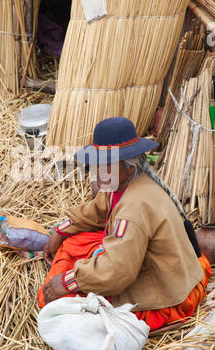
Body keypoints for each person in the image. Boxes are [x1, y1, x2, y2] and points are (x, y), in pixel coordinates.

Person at [37, 117, 213, 331]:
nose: (98, 171)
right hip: (173, 271)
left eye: (106, 165)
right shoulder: (127, 183)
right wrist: (61, 230)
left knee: (55, 302)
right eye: (97, 164)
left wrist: (67, 282)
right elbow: (98, 211)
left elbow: (116, 272)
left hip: (167, 298)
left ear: (129, 166)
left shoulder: (133, 207)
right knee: (76, 242)